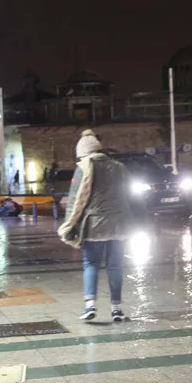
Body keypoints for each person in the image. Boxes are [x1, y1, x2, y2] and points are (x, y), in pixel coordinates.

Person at [59, 130, 132, 322]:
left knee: (91, 264)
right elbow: (129, 196)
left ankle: (90, 306)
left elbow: (74, 200)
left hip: (94, 226)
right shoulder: (119, 167)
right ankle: (117, 309)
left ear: (83, 153)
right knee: (115, 266)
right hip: (119, 224)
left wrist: (68, 226)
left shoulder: (83, 168)